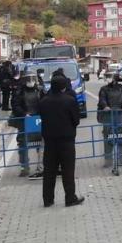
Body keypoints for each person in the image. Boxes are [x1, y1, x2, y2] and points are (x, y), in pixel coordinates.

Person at [38, 75, 84, 207]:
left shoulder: (43, 101)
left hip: (49, 141)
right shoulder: (69, 100)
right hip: (67, 140)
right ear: (64, 87)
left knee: (49, 171)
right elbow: (76, 120)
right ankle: (70, 198)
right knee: (68, 170)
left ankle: (48, 199)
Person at [97, 71, 122, 169]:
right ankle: (108, 160)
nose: (107, 79)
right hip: (108, 116)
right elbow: (102, 100)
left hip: (119, 115)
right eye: (106, 77)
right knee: (108, 137)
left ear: (115, 78)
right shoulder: (104, 89)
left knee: (121, 136)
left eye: (109, 76)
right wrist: (105, 106)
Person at [10, 70, 43, 177]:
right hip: (24, 121)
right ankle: (24, 166)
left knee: (41, 143)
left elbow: (45, 103)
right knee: (23, 143)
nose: (31, 81)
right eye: (28, 79)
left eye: (33, 78)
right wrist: (24, 114)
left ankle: (41, 166)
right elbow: (15, 106)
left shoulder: (40, 90)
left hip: (38, 120)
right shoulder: (18, 92)